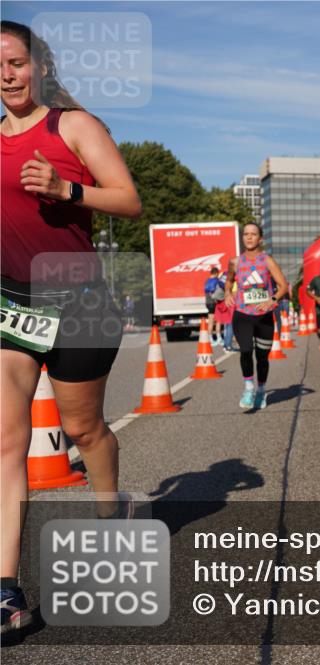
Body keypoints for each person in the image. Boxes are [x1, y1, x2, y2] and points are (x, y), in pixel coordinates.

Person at [1, 20, 143, 636]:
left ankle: (112, 517)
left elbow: (129, 199)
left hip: (80, 301)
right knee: (7, 444)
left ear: (41, 66)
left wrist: (68, 188)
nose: (6, 75)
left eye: (15, 62)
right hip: (12, 304)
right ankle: (6, 590)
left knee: (82, 430)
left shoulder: (74, 126)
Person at [224, 222, 288, 410]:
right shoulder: (234, 262)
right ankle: (248, 388)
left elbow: (283, 285)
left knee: (262, 357)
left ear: (260, 238)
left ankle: (261, 390)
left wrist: (273, 299)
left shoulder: (267, 261)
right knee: (245, 350)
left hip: (264, 316)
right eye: (246, 234)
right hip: (242, 314)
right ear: (242, 237)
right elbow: (228, 281)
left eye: (253, 234)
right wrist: (228, 293)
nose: (249, 237)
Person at [203, 266, 225, 345]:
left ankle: (210, 339)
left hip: (208, 303)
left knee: (211, 322)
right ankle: (219, 338)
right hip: (216, 302)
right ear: (216, 273)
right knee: (218, 321)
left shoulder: (207, 281)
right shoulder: (217, 281)